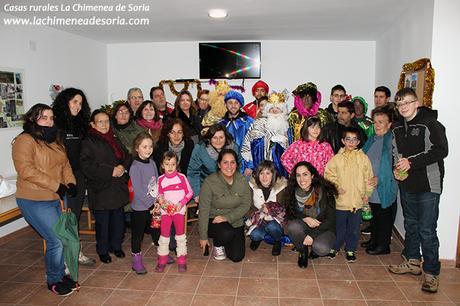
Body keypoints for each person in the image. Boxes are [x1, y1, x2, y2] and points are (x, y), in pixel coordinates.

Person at [12, 103, 78, 296]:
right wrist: (56, 186)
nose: (49, 121)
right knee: (55, 239)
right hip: (34, 198)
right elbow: (26, 171)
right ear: (33, 119)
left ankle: (60, 273)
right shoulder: (24, 140)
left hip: (57, 197)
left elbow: (65, 164)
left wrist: (71, 183)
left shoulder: (54, 140)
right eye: (44, 117)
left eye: (51, 118)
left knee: (63, 238)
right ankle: (54, 280)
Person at [388, 88, 448, 294]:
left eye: (406, 102)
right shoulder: (397, 127)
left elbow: (441, 150)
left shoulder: (431, 123)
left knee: (427, 230)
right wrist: (396, 169)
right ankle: (412, 262)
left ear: (417, 103)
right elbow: (396, 153)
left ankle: (431, 273)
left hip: (429, 186)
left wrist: (411, 162)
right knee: (410, 225)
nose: (402, 106)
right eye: (399, 103)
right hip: (407, 185)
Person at [51, 87, 96, 266]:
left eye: (81, 102)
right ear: (65, 102)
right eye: (74, 101)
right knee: (60, 219)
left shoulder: (82, 126)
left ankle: (76, 253)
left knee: (74, 216)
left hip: (78, 176)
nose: (78, 106)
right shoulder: (54, 125)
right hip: (59, 178)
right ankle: (62, 258)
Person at [80, 109, 131, 264]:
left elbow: (127, 155)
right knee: (103, 224)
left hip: (117, 188)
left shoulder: (113, 137)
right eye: (100, 122)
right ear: (93, 124)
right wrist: (111, 171)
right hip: (101, 189)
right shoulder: (88, 141)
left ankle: (116, 246)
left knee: (118, 222)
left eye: (106, 121)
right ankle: (103, 250)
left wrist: (122, 167)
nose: (104, 124)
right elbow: (87, 165)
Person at [324, 127, 374, 263]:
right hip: (341, 201)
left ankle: (351, 249)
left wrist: (367, 194)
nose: (351, 142)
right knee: (339, 227)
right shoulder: (337, 159)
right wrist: (336, 187)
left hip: (357, 202)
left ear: (358, 142)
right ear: (342, 141)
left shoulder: (363, 158)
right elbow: (328, 175)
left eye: (354, 139)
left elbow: (369, 178)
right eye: (348, 139)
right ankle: (335, 247)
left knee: (354, 229)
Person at [199, 149, 251, 262]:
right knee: (226, 233)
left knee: (237, 257)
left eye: (232, 162)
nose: (229, 166)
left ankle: (227, 240)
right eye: (225, 162)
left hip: (235, 220)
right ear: (219, 164)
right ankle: (218, 244)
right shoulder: (209, 182)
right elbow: (203, 210)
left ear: (236, 164)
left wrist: (227, 217)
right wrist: (203, 237)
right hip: (214, 221)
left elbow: (246, 205)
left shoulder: (242, 180)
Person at [285, 161, 338, 268]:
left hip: (324, 228)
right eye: (298, 175)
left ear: (312, 176)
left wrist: (312, 235)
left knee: (321, 248)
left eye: (305, 174)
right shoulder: (292, 190)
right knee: (293, 226)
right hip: (305, 226)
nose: (301, 179)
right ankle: (302, 250)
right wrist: (305, 218)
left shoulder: (325, 191)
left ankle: (315, 250)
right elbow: (290, 211)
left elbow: (331, 219)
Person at [361, 106, 397, 255]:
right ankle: (374, 240)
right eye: (375, 122)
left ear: (389, 124)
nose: (377, 125)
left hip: (384, 184)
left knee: (384, 215)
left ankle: (383, 245)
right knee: (375, 213)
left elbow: (394, 164)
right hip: (371, 185)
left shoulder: (392, 140)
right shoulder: (372, 139)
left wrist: (379, 177)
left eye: (381, 122)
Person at [155, 151, 193, 272]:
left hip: (179, 212)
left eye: (173, 164)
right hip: (166, 213)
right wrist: (160, 200)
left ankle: (182, 260)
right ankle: (162, 259)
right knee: (164, 236)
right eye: (167, 164)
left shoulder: (182, 177)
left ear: (177, 165)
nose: (170, 167)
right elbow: (159, 194)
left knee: (180, 236)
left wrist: (181, 204)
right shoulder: (160, 180)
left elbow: (189, 193)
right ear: (162, 165)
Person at [129, 132, 159, 274]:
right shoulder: (135, 167)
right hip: (141, 208)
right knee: (138, 234)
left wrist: (158, 200)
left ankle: (163, 253)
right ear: (137, 148)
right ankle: (136, 260)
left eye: (150, 146)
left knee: (156, 230)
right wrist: (150, 205)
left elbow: (157, 183)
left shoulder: (152, 163)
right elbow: (139, 190)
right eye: (144, 147)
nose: (148, 150)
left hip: (153, 206)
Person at [187, 124, 241, 204]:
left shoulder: (233, 148)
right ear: (209, 138)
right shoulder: (200, 149)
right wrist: (197, 194)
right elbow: (193, 173)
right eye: (215, 138)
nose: (218, 141)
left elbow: (238, 168)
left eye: (221, 137)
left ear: (226, 138)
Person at [241, 92, 290, 178]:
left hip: (281, 170)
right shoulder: (259, 123)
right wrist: (270, 140)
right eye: (271, 108)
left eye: (278, 108)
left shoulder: (287, 126)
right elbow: (249, 145)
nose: (274, 110)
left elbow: (290, 149)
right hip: (261, 169)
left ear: (282, 110)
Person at [246, 161, 287, 256]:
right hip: (259, 220)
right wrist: (259, 214)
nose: (264, 177)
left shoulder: (282, 187)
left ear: (273, 175)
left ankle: (277, 241)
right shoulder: (251, 186)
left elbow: (285, 209)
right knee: (254, 236)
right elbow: (247, 207)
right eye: (261, 173)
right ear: (257, 175)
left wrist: (271, 210)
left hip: (275, 221)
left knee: (271, 227)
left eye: (268, 173)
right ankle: (259, 238)